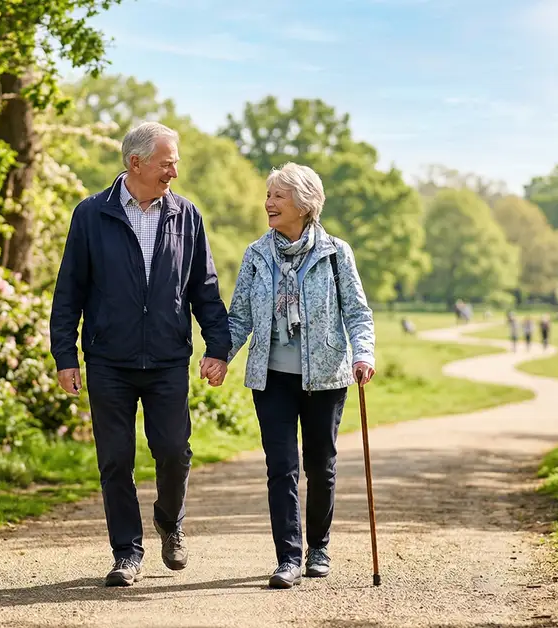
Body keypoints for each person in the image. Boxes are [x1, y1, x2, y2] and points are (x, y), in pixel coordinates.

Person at [50, 121, 232, 587]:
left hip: (168, 358)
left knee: (174, 451)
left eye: (175, 161)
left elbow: (204, 288)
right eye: (167, 161)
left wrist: (218, 347)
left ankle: (170, 525)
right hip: (109, 359)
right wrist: (65, 356)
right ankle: (126, 553)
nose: (175, 170)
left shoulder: (186, 215)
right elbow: (68, 290)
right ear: (136, 163)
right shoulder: (92, 214)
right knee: (115, 459)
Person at [227, 162, 376, 590]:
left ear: (304, 203)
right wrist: (220, 356)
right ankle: (288, 557)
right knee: (281, 467)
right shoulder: (257, 254)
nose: (268, 203)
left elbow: (358, 312)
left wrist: (363, 354)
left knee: (320, 466)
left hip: (326, 376)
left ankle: (319, 547)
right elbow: (239, 318)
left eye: (277, 195)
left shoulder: (335, 253)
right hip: (271, 377)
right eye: (268, 195)